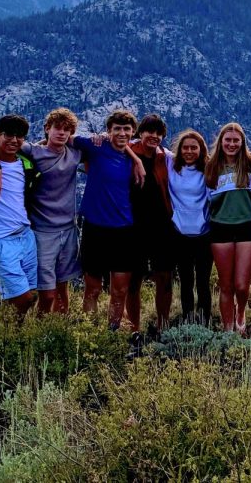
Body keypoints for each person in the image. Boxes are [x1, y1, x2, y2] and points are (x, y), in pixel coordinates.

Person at [0, 107, 83, 314]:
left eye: (67, 129)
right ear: (47, 129)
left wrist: (134, 159)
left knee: (62, 286)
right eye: (57, 128)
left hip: (69, 230)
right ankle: (38, 330)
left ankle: (56, 330)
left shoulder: (75, 154)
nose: (61, 133)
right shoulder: (33, 152)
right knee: (46, 292)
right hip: (41, 231)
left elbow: (107, 145)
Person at [75, 110, 143, 335]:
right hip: (95, 228)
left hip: (124, 230)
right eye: (117, 129)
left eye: (126, 129)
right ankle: (90, 335)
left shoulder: (132, 154)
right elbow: (64, 138)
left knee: (120, 290)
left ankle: (112, 333)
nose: (122, 133)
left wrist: (136, 158)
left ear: (133, 132)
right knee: (92, 289)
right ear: (109, 131)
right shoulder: (96, 147)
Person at [0, 114, 39, 318]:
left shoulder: (26, 165)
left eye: (19, 136)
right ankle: (5, 335)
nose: (14, 140)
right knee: (23, 298)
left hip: (25, 235)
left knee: (31, 294)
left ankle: (11, 337)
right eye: (8, 135)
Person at [206, 122, 251, 333]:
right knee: (225, 285)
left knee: (241, 285)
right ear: (221, 142)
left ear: (242, 142)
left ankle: (241, 314)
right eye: (227, 140)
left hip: (248, 226)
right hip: (220, 228)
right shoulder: (211, 166)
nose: (231, 144)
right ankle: (228, 329)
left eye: (236, 140)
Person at [128, 114, 176, 336]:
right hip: (132, 226)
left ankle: (163, 326)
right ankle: (134, 328)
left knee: (164, 276)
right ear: (140, 132)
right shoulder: (127, 152)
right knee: (133, 279)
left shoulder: (165, 158)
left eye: (159, 133)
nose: (154, 136)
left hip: (162, 225)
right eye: (150, 131)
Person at [168, 129, 213, 324]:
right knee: (186, 281)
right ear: (179, 150)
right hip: (179, 232)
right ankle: (187, 318)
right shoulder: (170, 163)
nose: (189, 151)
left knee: (203, 281)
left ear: (201, 149)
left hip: (204, 232)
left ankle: (205, 320)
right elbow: (143, 144)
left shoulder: (210, 168)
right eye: (185, 147)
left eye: (194, 148)